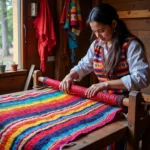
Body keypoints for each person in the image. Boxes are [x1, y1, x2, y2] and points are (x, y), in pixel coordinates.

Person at [59, 3, 150, 99]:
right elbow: (84, 65)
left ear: (114, 24)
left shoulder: (131, 46)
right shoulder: (96, 45)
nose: (98, 36)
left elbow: (141, 78)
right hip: (105, 99)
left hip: (127, 103)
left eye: (101, 30)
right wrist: (70, 75)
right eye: (94, 31)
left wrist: (106, 84)